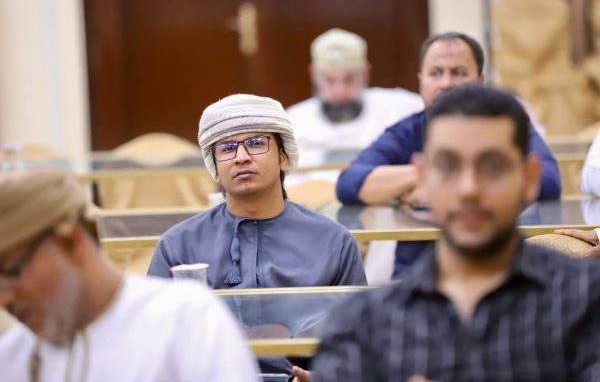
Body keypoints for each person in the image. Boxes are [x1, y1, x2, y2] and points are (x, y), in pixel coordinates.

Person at [307, 85, 600, 381]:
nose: (468, 188)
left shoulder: (586, 299)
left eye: (492, 166)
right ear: (422, 176)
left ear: (529, 178)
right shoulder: (363, 325)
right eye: (448, 166)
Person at [147, 94, 367, 376]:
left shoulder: (334, 241)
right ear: (215, 169)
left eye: (256, 143)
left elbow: (359, 345)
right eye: (227, 148)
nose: (242, 157)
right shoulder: (177, 245)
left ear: (283, 157)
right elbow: (152, 343)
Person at [336, 31, 562, 276]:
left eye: (459, 73)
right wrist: (423, 176)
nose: (446, 83)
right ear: (421, 81)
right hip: (415, 276)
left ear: (480, 80)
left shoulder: (505, 125)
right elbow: (349, 183)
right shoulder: (406, 131)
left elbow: (548, 178)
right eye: (435, 73)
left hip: (499, 271)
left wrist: (428, 186)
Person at [0, 169, 258, 381]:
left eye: (11, 272)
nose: (4, 300)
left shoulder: (185, 323)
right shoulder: (12, 359)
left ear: (70, 243)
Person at [287, 28, 424, 151]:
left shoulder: (399, 108)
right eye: (330, 80)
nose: (340, 91)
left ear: (366, 73)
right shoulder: (293, 123)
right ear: (313, 76)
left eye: (349, 79)